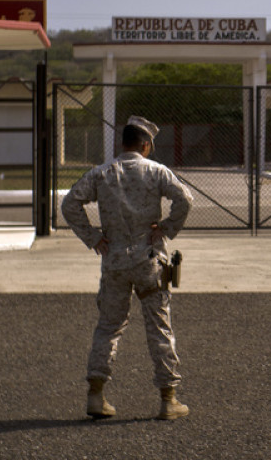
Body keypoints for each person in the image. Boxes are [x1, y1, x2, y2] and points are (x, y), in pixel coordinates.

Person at [61, 116, 194, 421]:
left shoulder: (103, 173)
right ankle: (168, 399)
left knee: (109, 327)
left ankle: (96, 395)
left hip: (115, 262)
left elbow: (70, 204)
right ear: (145, 145)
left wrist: (93, 237)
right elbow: (184, 199)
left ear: (122, 144)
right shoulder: (157, 171)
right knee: (159, 328)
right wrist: (166, 227)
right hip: (150, 261)